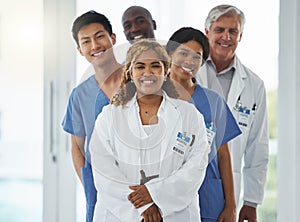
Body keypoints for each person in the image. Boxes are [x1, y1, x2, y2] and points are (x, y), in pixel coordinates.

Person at [89, 39, 210, 222]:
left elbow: (196, 165)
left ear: (166, 70)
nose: (148, 73)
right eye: (140, 67)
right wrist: (144, 207)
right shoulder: (109, 116)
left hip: (175, 215)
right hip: (120, 215)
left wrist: (156, 195)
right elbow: (104, 171)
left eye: (155, 66)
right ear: (130, 72)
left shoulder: (189, 115)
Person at [196, 5, 269, 222]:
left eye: (233, 31)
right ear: (207, 32)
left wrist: (251, 201)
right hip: (187, 179)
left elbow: (258, 147)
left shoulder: (253, 85)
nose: (226, 37)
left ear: (241, 36)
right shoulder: (186, 73)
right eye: (219, 30)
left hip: (229, 188)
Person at [166, 27, 241, 222]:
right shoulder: (154, 98)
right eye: (183, 53)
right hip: (167, 196)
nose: (189, 61)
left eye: (196, 56)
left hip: (209, 197)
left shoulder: (213, 101)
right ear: (169, 54)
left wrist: (231, 205)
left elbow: (224, 154)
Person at [61, 11, 123, 222]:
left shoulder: (140, 82)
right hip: (99, 189)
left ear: (112, 38)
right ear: (80, 50)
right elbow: (77, 146)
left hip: (140, 186)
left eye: (99, 36)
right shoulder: (80, 95)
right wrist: (90, 185)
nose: (95, 46)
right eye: (86, 41)